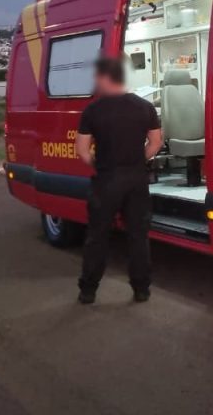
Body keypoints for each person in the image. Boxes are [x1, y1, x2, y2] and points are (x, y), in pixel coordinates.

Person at [75, 57, 162, 305]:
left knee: (98, 236)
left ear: (104, 78)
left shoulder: (93, 110)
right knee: (138, 236)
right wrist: (137, 160)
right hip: (136, 179)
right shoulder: (145, 107)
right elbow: (156, 143)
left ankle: (88, 290)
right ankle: (141, 289)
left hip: (106, 180)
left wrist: (100, 165)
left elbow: (82, 150)